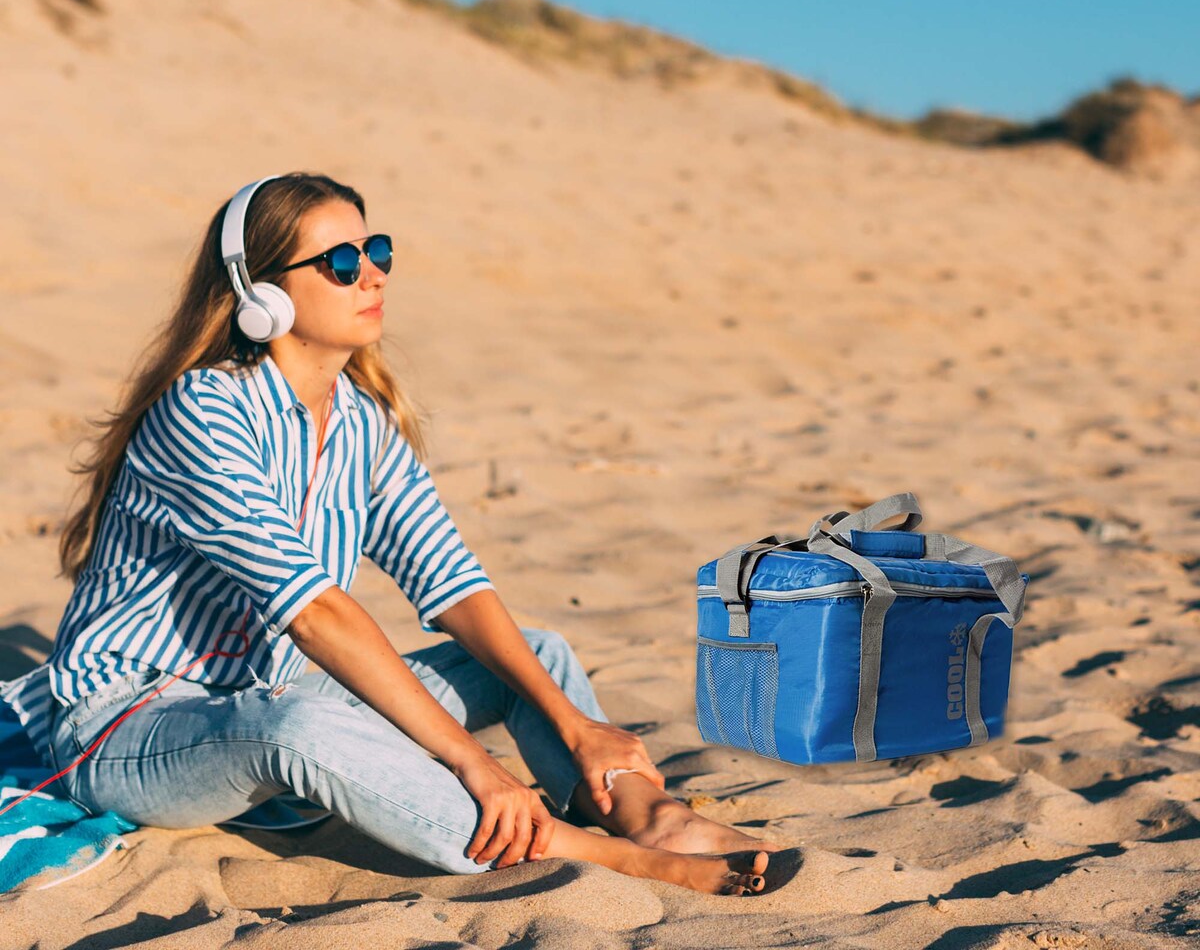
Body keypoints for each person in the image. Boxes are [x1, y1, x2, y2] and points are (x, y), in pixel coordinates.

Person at [12, 171, 787, 897]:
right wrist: (472, 761)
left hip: (263, 689)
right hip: (125, 726)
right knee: (300, 726)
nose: (374, 275)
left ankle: (653, 818)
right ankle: (586, 851)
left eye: (376, 251)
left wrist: (577, 725)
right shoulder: (203, 412)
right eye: (342, 262)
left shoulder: (362, 422)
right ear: (262, 294)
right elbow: (316, 616)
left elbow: (453, 584)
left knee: (536, 659)